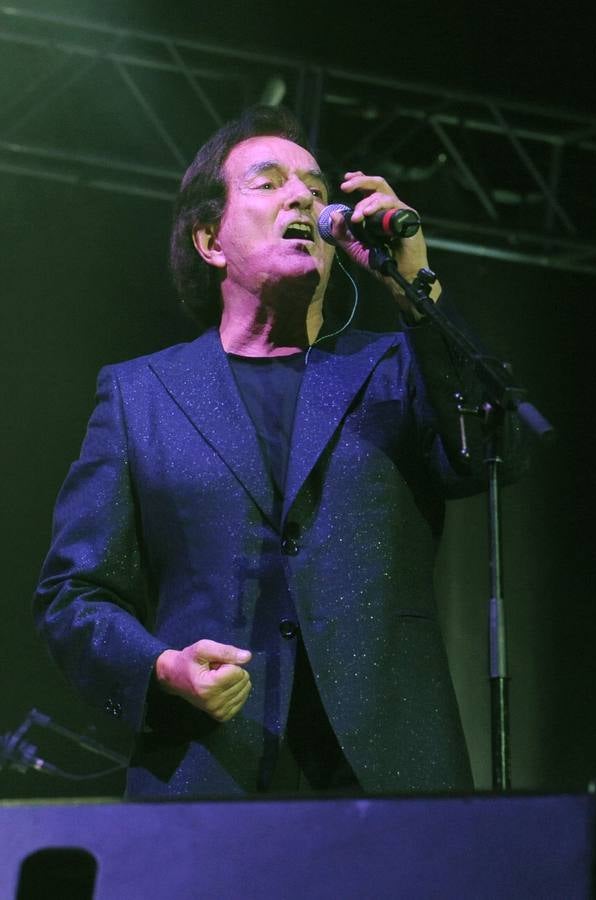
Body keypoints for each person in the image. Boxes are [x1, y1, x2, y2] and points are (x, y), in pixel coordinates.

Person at [34, 104, 480, 796]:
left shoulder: (397, 368)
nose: (304, 196)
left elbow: (488, 448)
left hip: (391, 777)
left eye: (317, 189)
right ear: (210, 240)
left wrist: (418, 291)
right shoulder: (140, 396)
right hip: (209, 773)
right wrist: (161, 670)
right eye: (269, 183)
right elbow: (74, 594)